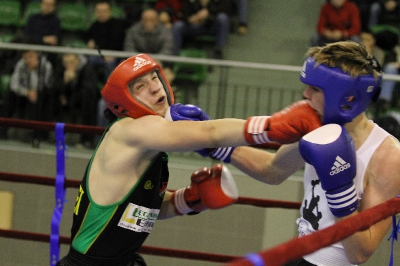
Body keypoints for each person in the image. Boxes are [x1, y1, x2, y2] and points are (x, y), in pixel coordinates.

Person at [56, 53, 322, 266]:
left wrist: (188, 200)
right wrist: (275, 126)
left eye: (154, 78)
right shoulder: (128, 130)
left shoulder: (148, 146)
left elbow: (139, 212)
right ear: (125, 103)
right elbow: (211, 132)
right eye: (140, 86)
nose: (154, 87)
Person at [171, 41, 400, 265]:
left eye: (315, 89)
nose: (305, 94)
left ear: (347, 98)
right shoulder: (317, 129)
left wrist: (341, 195)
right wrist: (215, 145)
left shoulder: (387, 156)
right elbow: (273, 169)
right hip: (302, 252)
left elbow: (360, 253)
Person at [0, 48, 54, 147]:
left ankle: (36, 135)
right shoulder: (21, 64)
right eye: (25, 57)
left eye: (30, 57)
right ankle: (2, 130)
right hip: (24, 95)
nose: (28, 60)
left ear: (37, 55)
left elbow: (47, 85)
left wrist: (33, 74)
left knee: (43, 100)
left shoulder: (46, 65)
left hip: (41, 95)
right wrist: (27, 92)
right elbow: (14, 84)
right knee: (10, 97)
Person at [53, 53, 99, 149]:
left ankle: (86, 140)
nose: (69, 65)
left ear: (77, 60)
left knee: (88, 101)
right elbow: (55, 86)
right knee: (50, 97)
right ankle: (52, 136)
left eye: (71, 62)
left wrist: (74, 81)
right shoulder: (61, 68)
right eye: (66, 63)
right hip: (65, 98)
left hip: (80, 99)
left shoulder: (86, 68)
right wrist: (65, 83)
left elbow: (89, 89)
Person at [86, 0, 130, 82]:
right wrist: (90, 41)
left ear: (109, 11)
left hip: (115, 55)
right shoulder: (94, 26)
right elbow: (88, 38)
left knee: (109, 64)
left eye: (104, 11)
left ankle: (109, 90)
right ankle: (91, 90)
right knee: (87, 62)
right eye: (99, 11)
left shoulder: (118, 24)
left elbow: (119, 43)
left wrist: (110, 54)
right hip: (98, 55)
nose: (101, 14)